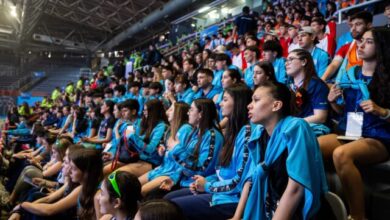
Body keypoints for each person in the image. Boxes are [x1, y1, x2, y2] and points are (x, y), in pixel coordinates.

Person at [319, 28, 390, 220]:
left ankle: (358, 216)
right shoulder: (352, 73)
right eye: (361, 41)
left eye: (368, 42)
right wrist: (333, 101)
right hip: (351, 130)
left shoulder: (387, 77)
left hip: (379, 136)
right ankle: (316, 203)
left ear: (382, 46)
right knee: (310, 145)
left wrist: (382, 111)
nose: (360, 44)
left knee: (341, 153)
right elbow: (344, 111)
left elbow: (383, 114)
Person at [230, 81, 328, 220]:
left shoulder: (296, 128)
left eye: (256, 100)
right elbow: (251, 178)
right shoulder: (259, 134)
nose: (249, 105)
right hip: (271, 210)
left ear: (276, 105)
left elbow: (296, 189)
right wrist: (237, 217)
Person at [167, 85, 253, 220]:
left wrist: (207, 185)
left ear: (238, 103)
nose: (220, 103)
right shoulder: (232, 131)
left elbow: (203, 169)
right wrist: (205, 182)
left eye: (225, 100)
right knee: (167, 199)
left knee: (169, 207)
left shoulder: (241, 133)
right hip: (219, 191)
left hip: (229, 198)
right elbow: (221, 173)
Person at [161, 99, 223, 191]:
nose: (188, 113)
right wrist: (173, 179)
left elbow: (202, 169)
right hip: (184, 181)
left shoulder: (212, 136)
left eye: (191, 109)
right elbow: (184, 164)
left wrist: (177, 149)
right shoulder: (195, 132)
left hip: (197, 185)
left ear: (200, 114)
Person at [138, 102, 192, 198]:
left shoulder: (186, 129)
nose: (167, 112)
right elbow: (168, 151)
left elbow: (186, 157)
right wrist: (162, 150)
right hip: (163, 167)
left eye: (171, 110)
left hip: (174, 172)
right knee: (135, 185)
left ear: (179, 113)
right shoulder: (170, 130)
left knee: (142, 191)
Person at [116, 99, 168, 177]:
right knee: (106, 169)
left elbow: (150, 149)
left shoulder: (159, 126)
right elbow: (124, 142)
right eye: (144, 110)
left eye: (125, 111)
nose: (122, 114)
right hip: (136, 157)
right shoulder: (128, 124)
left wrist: (132, 136)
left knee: (115, 175)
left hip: (150, 161)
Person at [285, 49, 330, 136]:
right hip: (294, 128)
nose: (286, 63)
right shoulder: (289, 86)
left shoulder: (317, 84)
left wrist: (292, 124)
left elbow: (320, 117)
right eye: (286, 60)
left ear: (304, 62)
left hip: (312, 129)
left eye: (291, 59)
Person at [321, 11, 372, 82]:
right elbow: (334, 65)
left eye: (358, 24)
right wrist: (322, 80)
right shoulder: (346, 47)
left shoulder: (379, 44)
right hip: (349, 86)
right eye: (351, 25)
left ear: (369, 25)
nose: (353, 28)